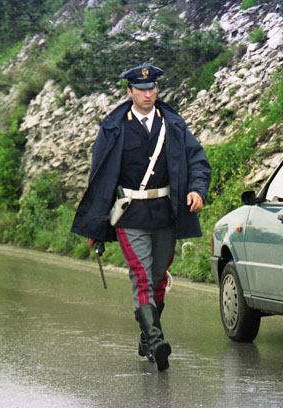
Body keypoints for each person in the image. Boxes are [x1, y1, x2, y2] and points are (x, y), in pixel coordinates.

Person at [71, 64, 212, 371]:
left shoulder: (173, 124)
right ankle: (157, 341)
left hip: (165, 213)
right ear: (130, 92)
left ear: (156, 90)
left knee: (158, 277)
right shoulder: (114, 128)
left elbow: (198, 160)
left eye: (152, 89)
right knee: (141, 274)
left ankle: (147, 337)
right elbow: (100, 178)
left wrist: (197, 190)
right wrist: (95, 225)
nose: (148, 94)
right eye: (141, 90)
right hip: (129, 214)